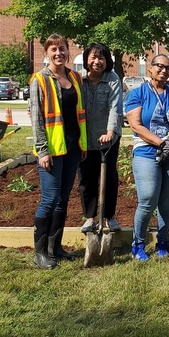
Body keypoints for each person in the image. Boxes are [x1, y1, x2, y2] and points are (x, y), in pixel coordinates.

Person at [124, 54, 169, 261]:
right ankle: (138, 244)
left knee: (166, 200)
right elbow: (136, 125)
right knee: (147, 198)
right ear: (150, 68)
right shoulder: (137, 93)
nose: (163, 70)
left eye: (168, 68)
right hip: (147, 151)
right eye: (159, 66)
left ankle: (163, 242)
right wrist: (161, 144)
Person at [29, 34, 87, 269]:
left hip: (72, 147)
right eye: (53, 50)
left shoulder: (74, 77)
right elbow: (37, 119)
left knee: (63, 200)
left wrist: (82, 143)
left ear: (68, 51)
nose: (58, 53)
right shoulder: (40, 80)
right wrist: (42, 150)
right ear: (46, 53)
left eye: (62, 49)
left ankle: (56, 248)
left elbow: (80, 112)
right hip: (52, 150)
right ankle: (40, 253)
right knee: (50, 199)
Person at [78, 42, 124, 235]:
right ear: (87, 60)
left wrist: (111, 131)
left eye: (102, 58)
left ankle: (109, 216)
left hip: (108, 139)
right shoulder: (79, 80)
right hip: (85, 138)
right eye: (94, 57)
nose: (97, 61)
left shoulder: (112, 79)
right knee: (86, 178)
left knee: (110, 178)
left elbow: (115, 107)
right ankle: (90, 217)